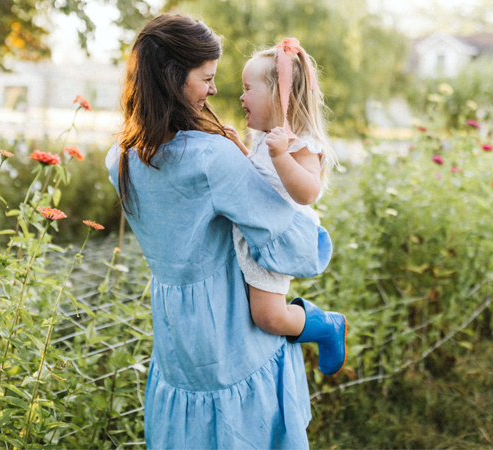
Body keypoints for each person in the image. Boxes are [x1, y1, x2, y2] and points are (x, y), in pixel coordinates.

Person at [105, 13, 334, 449]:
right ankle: (321, 323)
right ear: (174, 78)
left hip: (175, 336)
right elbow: (291, 243)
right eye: (206, 77)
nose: (214, 89)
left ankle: (319, 325)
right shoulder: (212, 158)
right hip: (233, 334)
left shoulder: (119, 159)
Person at [222, 38, 347, 376]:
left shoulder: (299, 143)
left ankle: (326, 325)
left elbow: (308, 191)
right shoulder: (265, 137)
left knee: (269, 317)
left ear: (280, 96)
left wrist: (281, 155)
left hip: (276, 237)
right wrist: (239, 147)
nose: (241, 97)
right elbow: (261, 178)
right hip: (256, 231)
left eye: (248, 89)